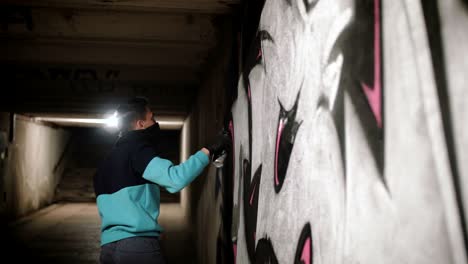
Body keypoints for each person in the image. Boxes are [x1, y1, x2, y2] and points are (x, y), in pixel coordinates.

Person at [93, 97, 230, 264]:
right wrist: (209, 151)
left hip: (108, 250)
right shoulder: (136, 149)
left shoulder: (105, 162)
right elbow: (174, 180)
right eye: (152, 118)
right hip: (137, 247)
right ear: (140, 124)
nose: (156, 123)